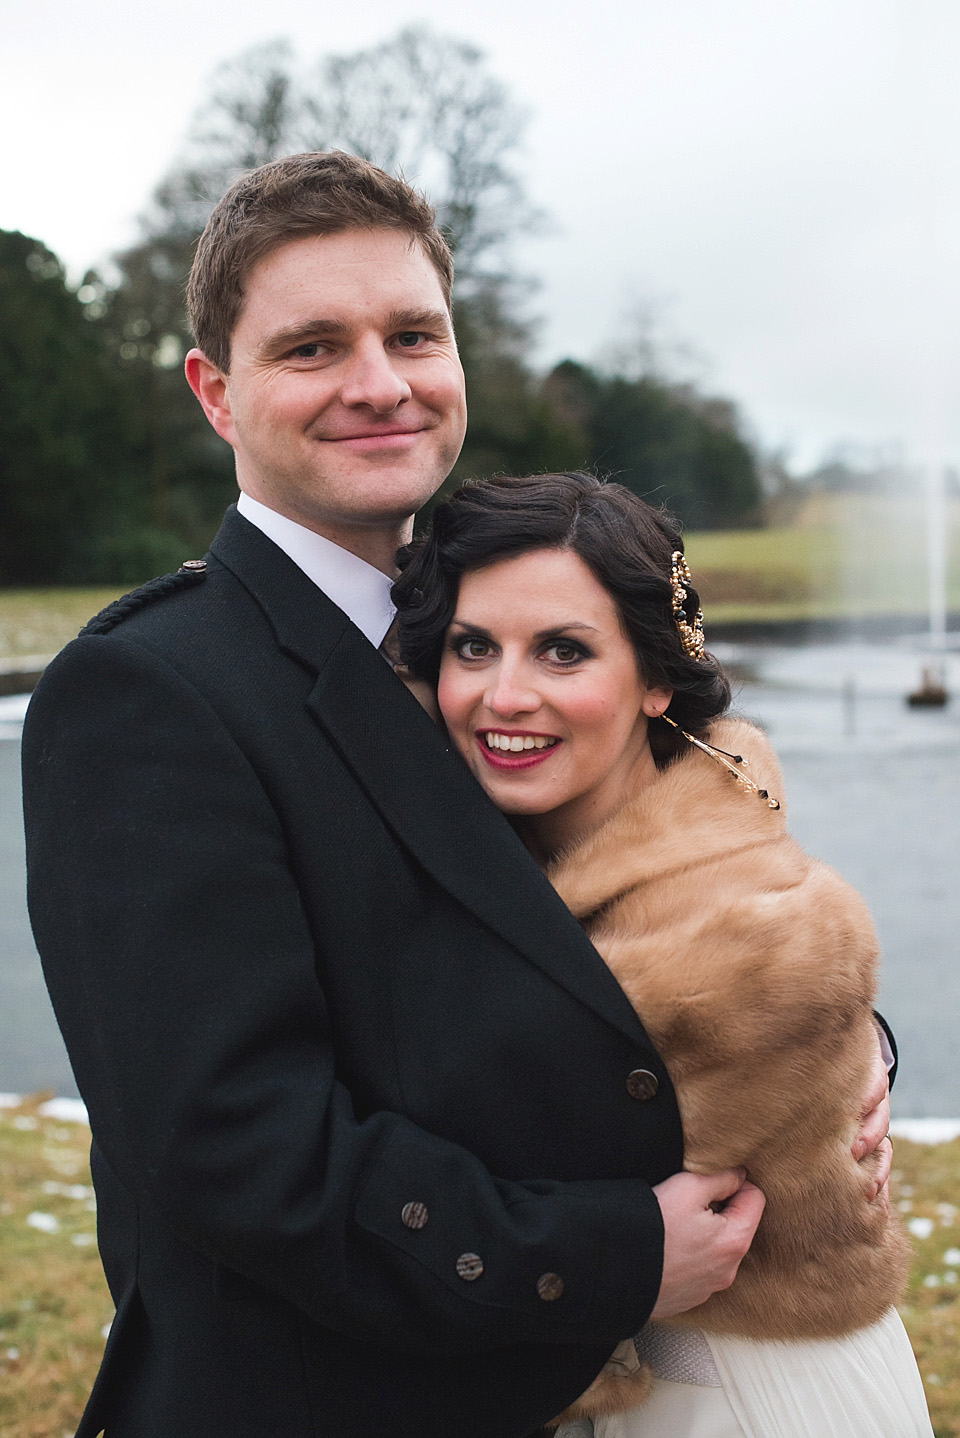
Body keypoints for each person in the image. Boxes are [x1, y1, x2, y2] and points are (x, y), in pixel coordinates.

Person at [21, 152, 890, 1438]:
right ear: (217, 393)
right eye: (312, 347)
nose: (380, 384)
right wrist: (599, 1254)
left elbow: (672, 897)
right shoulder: (149, 692)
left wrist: (830, 1053)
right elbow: (233, 1146)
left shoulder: (506, 621)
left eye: (412, 334)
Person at [392, 470, 932, 1438]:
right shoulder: (514, 854)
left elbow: (476, 1140)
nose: (503, 695)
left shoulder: (759, 934)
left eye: (563, 651)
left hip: (734, 1395)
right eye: (474, 646)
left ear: (654, 681)